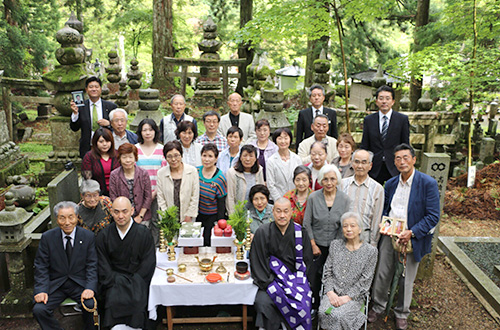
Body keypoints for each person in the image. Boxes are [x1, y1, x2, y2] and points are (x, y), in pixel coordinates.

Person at [368, 144, 440, 330]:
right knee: (383, 272)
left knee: (406, 277)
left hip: (412, 237)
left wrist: (412, 232)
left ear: (414, 160)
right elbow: (386, 208)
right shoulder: (391, 183)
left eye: (406, 157)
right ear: (394, 161)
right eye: (398, 158)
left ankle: (401, 313)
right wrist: (383, 224)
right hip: (389, 234)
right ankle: (378, 306)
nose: (402, 162)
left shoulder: (427, 183)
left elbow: (433, 216)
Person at [250, 198, 313, 330]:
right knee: (263, 302)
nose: (282, 215)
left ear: (291, 212)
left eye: (286, 211)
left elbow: (306, 261)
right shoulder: (262, 232)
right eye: (278, 211)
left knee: (302, 303)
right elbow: (257, 261)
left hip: (295, 281)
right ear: (272, 212)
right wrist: (270, 282)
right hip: (270, 280)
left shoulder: (300, 232)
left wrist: (294, 282)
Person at [33, 201, 97, 330]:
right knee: (39, 309)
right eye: (62, 218)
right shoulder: (48, 237)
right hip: (57, 284)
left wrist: (90, 287)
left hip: (79, 283)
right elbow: (41, 267)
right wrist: (41, 290)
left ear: (77, 218)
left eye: (71, 217)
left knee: (91, 305)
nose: (67, 222)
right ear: (57, 219)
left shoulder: (88, 236)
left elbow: (92, 265)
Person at [96, 197, 156, 330]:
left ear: (132, 211)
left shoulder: (144, 233)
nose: (120, 216)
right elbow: (102, 264)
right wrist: (116, 281)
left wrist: (135, 282)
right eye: (116, 212)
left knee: (138, 301)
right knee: (112, 300)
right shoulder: (104, 235)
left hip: (137, 281)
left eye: (124, 211)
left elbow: (148, 262)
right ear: (111, 212)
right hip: (113, 282)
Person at [318, 212, 378, 330]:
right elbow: (327, 272)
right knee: (323, 312)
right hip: (333, 292)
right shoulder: (335, 245)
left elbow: (366, 280)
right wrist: (330, 292)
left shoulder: (370, 252)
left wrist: (347, 297)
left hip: (354, 297)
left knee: (340, 315)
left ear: (360, 229)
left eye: (352, 225)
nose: (348, 229)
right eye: (345, 226)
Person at [303, 164, 350, 310]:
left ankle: (329, 306)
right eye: (325, 179)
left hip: (337, 246)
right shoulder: (313, 197)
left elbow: (345, 224)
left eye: (332, 179)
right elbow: (306, 223)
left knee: (332, 277)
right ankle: (314, 305)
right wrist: (313, 244)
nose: (329, 183)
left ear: (337, 180)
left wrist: (336, 247)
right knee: (314, 276)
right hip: (315, 246)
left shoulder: (345, 199)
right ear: (320, 181)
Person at [360, 85, 410, 185]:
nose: (384, 101)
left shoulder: (402, 119)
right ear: (376, 101)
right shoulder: (369, 120)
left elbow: (405, 144)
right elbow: (365, 144)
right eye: (381, 98)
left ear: (393, 101)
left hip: (394, 164)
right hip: (374, 165)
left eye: (388, 98)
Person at [341, 149, 384, 246]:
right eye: (357, 162)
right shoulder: (342, 184)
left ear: (370, 166)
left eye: (364, 163)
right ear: (352, 163)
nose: (360, 166)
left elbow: (376, 219)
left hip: (365, 237)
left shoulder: (377, 189)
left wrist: (373, 244)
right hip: (343, 236)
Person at [70, 76, 117, 158]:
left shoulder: (111, 107)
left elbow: (119, 126)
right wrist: (75, 113)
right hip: (87, 147)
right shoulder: (81, 106)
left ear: (100, 89)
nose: (94, 89)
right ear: (86, 90)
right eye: (91, 87)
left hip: (106, 146)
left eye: (96, 87)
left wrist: (109, 123)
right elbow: (74, 128)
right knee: (88, 170)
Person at [109, 143, 152, 225]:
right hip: (122, 217)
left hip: (142, 216)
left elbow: (148, 197)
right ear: (119, 158)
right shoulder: (114, 175)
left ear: (135, 158)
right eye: (124, 157)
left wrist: (140, 216)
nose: (127, 160)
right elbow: (113, 197)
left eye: (130, 157)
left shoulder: (143, 173)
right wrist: (123, 215)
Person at [157, 140, 200, 222]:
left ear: (181, 155)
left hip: (188, 217)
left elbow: (195, 196)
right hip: (169, 218)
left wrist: (189, 215)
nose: (173, 159)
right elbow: (161, 198)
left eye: (176, 155)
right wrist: (167, 215)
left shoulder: (192, 171)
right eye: (169, 156)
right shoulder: (161, 173)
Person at [197, 143, 227, 246]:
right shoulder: (195, 172)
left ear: (216, 158)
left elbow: (221, 204)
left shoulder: (220, 178)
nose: (206, 159)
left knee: (208, 242)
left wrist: (219, 224)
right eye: (204, 155)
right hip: (197, 214)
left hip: (212, 216)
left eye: (210, 156)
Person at [226, 144, 265, 215]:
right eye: (245, 155)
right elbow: (230, 197)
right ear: (240, 157)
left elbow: (262, 193)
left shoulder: (259, 170)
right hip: (239, 214)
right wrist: (233, 216)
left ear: (256, 158)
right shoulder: (232, 173)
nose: (247, 159)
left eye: (251, 156)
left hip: (256, 213)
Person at [81, 127, 120, 196]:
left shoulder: (117, 155)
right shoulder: (89, 157)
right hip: (98, 195)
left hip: (118, 192)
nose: (105, 144)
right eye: (101, 141)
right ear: (95, 142)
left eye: (107, 141)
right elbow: (88, 180)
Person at [267, 127, 303, 202]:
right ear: (275, 141)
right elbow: (270, 185)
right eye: (280, 138)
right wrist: (280, 200)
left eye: (286, 138)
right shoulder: (271, 161)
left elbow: (301, 179)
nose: (283, 141)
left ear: (290, 139)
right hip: (277, 200)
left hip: (295, 199)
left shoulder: (297, 159)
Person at [135, 119, 165, 199]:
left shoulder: (162, 150)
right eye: (144, 130)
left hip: (159, 194)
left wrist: (154, 193)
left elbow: (164, 174)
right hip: (139, 194)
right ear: (140, 132)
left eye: (151, 130)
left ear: (155, 131)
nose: (148, 133)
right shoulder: (134, 149)